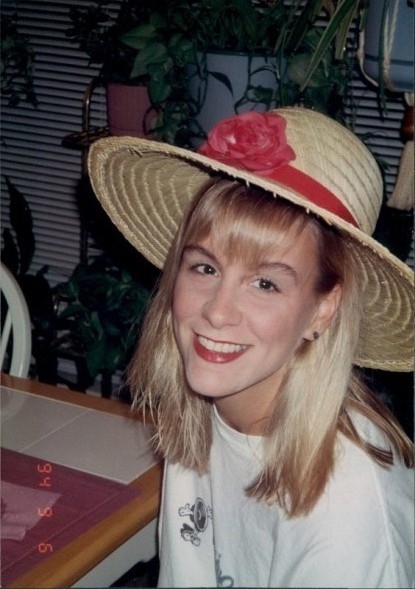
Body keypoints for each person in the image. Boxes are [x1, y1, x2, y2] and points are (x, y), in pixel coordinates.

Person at [88, 107, 414, 588]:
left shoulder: (349, 507)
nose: (218, 313)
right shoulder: (206, 402)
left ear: (323, 310)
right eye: (205, 268)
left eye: (265, 283)